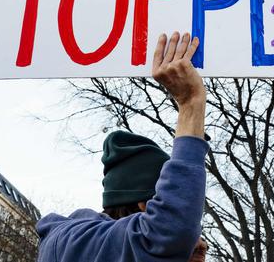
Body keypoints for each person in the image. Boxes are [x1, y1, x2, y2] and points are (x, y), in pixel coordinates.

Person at [37, 32, 209, 262]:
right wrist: (190, 104)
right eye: (173, 204)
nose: (202, 243)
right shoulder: (75, 244)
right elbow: (170, 231)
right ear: (144, 205)